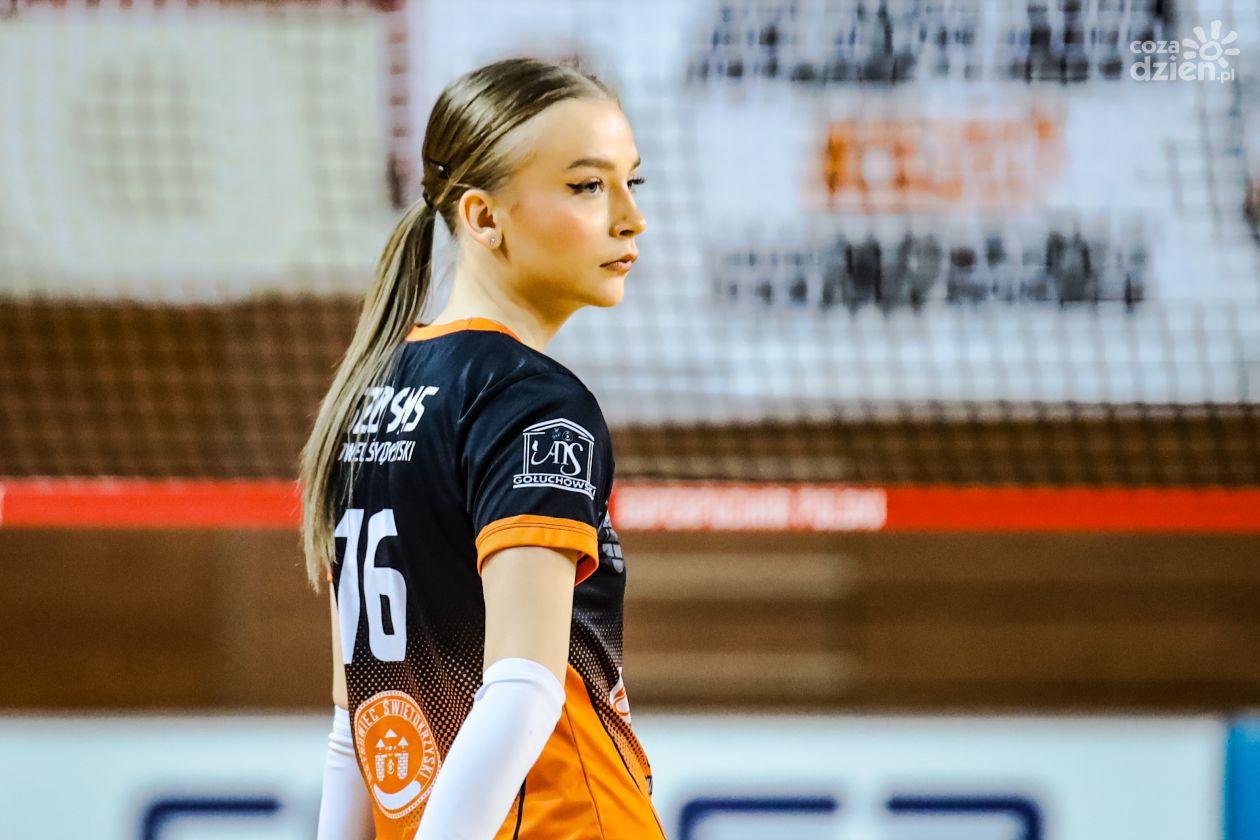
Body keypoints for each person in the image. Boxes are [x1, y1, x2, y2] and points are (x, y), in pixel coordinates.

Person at [298, 57, 663, 840]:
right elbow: (523, 687)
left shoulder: (362, 397)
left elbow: (352, 731)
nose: (631, 217)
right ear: (483, 217)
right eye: (587, 186)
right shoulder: (532, 400)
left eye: (633, 182)